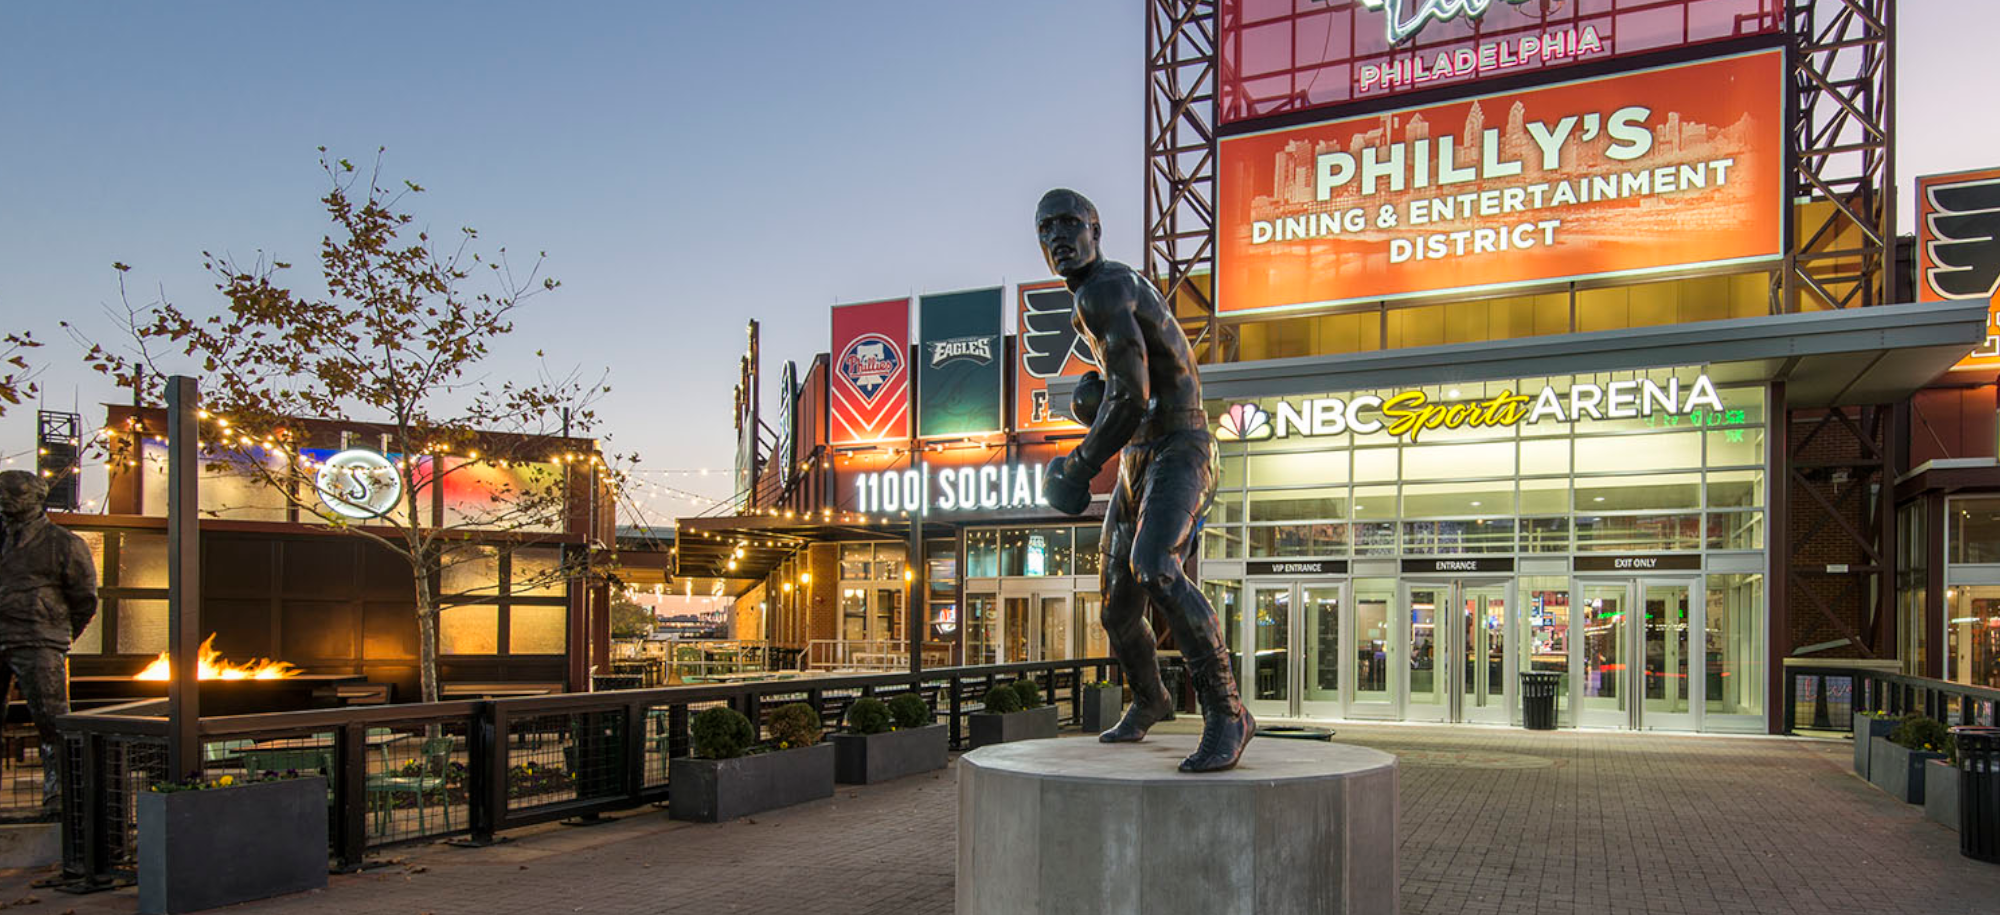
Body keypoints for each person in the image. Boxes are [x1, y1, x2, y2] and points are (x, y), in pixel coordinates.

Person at [1035, 188, 1253, 773]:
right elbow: (1125, 387)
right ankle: (1151, 698)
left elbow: (1133, 396)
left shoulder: (1105, 288)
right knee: (1116, 605)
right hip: (1141, 455)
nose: (1058, 236)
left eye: (1069, 223)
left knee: (1156, 567)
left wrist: (1079, 466)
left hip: (1181, 445)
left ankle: (1228, 711)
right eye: (1046, 227)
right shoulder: (1098, 292)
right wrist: (1093, 394)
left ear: (1095, 231)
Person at [0, 470, 98, 818]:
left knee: (52, 722)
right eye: (2, 492)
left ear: (37, 497)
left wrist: (57, 634)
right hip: (3, 635)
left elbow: (84, 598)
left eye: (15, 493)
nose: (7, 499)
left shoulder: (63, 542)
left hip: (39, 640)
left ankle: (59, 797)